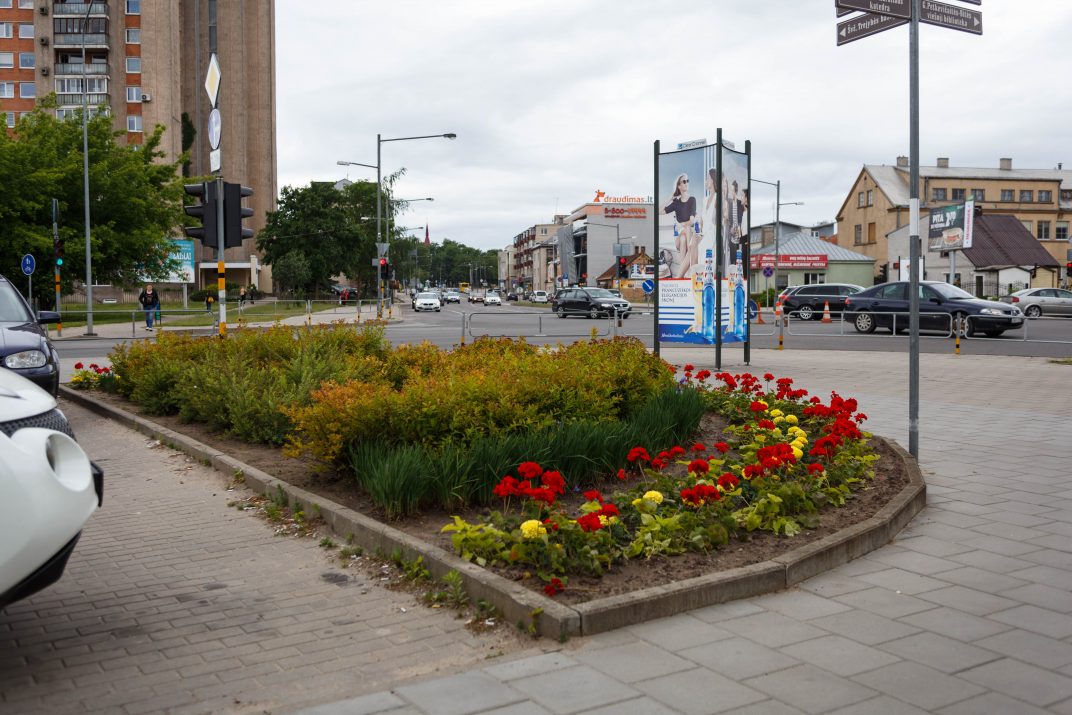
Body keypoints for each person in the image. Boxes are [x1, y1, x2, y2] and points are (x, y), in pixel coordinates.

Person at [663, 173, 699, 277]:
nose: (686, 183)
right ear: (679, 186)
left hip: (687, 234)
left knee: (685, 236)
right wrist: (670, 198)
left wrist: (682, 224)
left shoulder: (692, 200)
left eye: (687, 181)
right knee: (684, 234)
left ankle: (683, 274)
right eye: (684, 181)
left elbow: (692, 221)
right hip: (678, 237)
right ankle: (691, 267)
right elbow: (659, 211)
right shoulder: (676, 203)